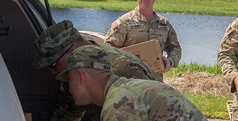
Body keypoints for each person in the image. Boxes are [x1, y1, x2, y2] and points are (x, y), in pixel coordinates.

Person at [34, 19, 162, 121]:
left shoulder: (124, 70)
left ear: (71, 52)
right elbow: (69, 110)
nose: (53, 72)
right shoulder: (75, 70)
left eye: (53, 64)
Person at [56, 45, 207, 121]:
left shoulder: (119, 104)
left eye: (69, 79)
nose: (68, 87)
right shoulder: (127, 89)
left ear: (81, 76)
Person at [104, 0, 181, 79]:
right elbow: (107, 48)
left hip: (155, 80)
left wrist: (170, 61)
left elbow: (175, 47)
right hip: (128, 81)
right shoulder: (124, 22)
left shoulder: (164, 24)